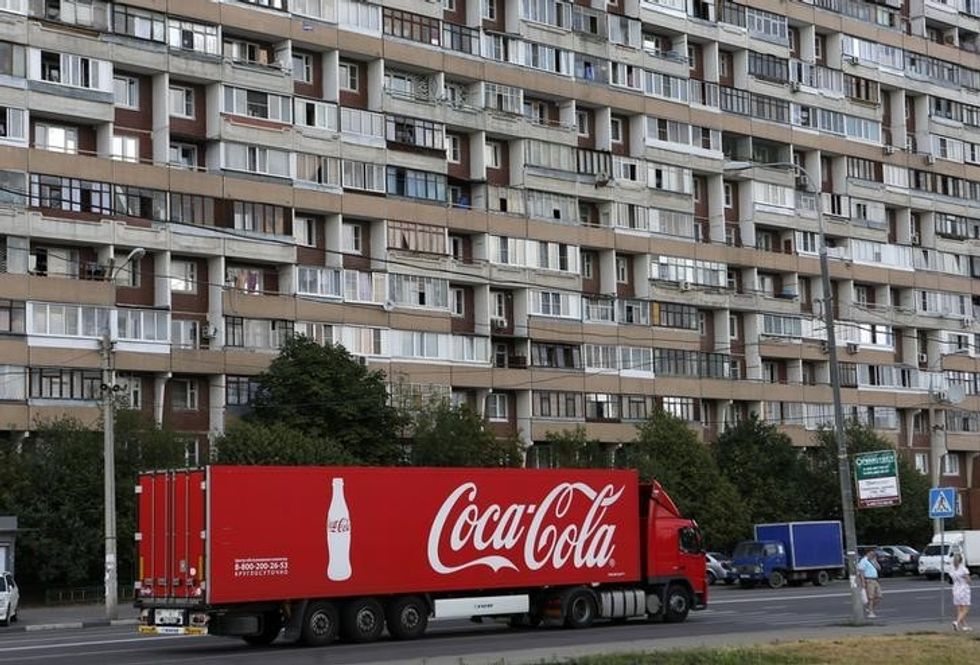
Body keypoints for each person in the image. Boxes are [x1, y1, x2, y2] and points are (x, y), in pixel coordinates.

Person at [857, 548, 881, 618]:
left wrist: (875, 561)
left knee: (879, 596)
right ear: (868, 553)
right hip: (869, 580)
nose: (873, 554)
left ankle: (869, 608)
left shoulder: (872, 560)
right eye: (872, 553)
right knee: (871, 597)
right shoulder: (863, 561)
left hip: (875, 580)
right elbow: (861, 572)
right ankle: (871, 613)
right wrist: (863, 582)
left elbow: (879, 568)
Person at [951, 552, 972, 631]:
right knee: (966, 608)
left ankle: (964, 626)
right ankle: (956, 622)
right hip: (963, 589)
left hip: (955, 589)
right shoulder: (963, 569)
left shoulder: (953, 569)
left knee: (959, 609)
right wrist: (968, 580)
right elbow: (969, 580)